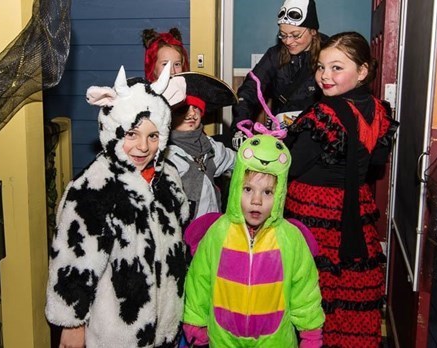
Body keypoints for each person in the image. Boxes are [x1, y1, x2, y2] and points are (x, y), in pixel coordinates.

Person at [45, 63, 190, 347]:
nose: (143, 147)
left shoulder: (169, 179)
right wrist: (72, 323)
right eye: (131, 134)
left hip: (165, 329)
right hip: (116, 334)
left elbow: (177, 238)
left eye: (153, 135)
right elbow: (73, 259)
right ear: (113, 131)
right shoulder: (93, 188)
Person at [284, 32, 399, 347]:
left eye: (337, 68)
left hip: (314, 216)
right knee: (347, 292)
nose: (325, 76)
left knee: (309, 293)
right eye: (321, 67)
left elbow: (289, 166)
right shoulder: (379, 110)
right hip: (355, 212)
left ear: (362, 71)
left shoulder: (324, 114)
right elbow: (376, 160)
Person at [182, 133, 325, 347]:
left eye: (267, 192)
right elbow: (199, 280)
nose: (256, 201)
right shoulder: (218, 233)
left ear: (279, 196)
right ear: (237, 186)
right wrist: (195, 323)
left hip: (275, 341)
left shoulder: (290, 238)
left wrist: (311, 333)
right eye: (248, 189)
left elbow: (305, 290)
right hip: (223, 339)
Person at [230, 0, 326, 149]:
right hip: (282, 133)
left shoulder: (329, 52)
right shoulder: (275, 55)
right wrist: (241, 125)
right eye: (283, 35)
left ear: (313, 31)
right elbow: (251, 88)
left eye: (295, 35)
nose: (288, 41)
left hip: (317, 134)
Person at [163, 72, 238, 220]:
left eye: (196, 108)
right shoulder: (166, 155)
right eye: (183, 109)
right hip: (184, 233)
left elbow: (237, 160)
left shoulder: (210, 147)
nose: (192, 114)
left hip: (213, 229)